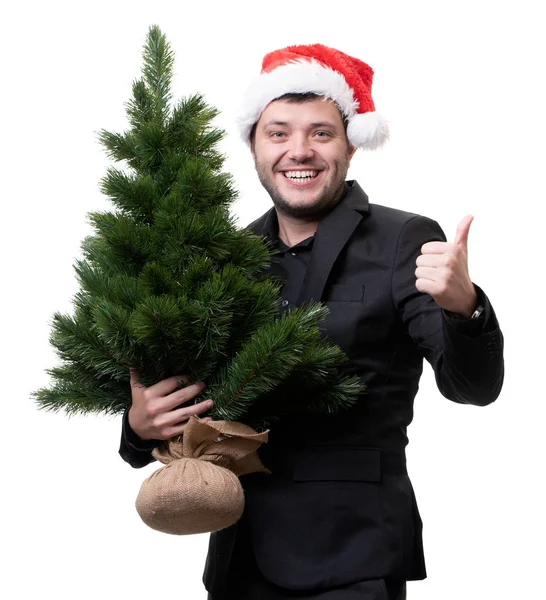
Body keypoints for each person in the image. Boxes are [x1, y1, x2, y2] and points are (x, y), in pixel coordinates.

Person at [120, 44, 505, 600]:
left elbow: (474, 387)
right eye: (277, 133)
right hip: (239, 554)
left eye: (320, 133)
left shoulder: (404, 239)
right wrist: (140, 425)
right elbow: (184, 397)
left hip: (353, 558)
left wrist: (464, 306)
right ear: (253, 144)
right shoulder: (229, 255)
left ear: (351, 143)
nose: (298, 150)